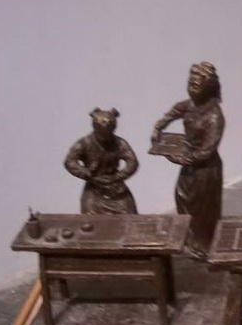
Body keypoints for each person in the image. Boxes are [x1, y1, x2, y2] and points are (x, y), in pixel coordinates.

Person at [152, 62, 225, 257]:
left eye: (196, 85)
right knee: (182, 197)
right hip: (189, 165)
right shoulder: (189, 105)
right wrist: (159, 127)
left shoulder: (214, 116)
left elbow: (207, 151)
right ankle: (189, 242)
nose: (191, 88)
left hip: (206, 170)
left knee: (203, 209)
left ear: (208, 88)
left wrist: (180, 158)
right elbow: (173, 112)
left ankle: (203, 246)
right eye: (189, 84)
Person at [64, 108, 139, 214]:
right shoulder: (84, 143)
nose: (105, 138)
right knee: (90, 217)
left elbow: (132, 163)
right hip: (94, 188)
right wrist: (86, 173)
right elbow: (70, 161)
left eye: (108, 135)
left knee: (129, 214)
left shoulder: (120, 143)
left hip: (116, 189)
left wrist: (117, 177)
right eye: (101, 135)